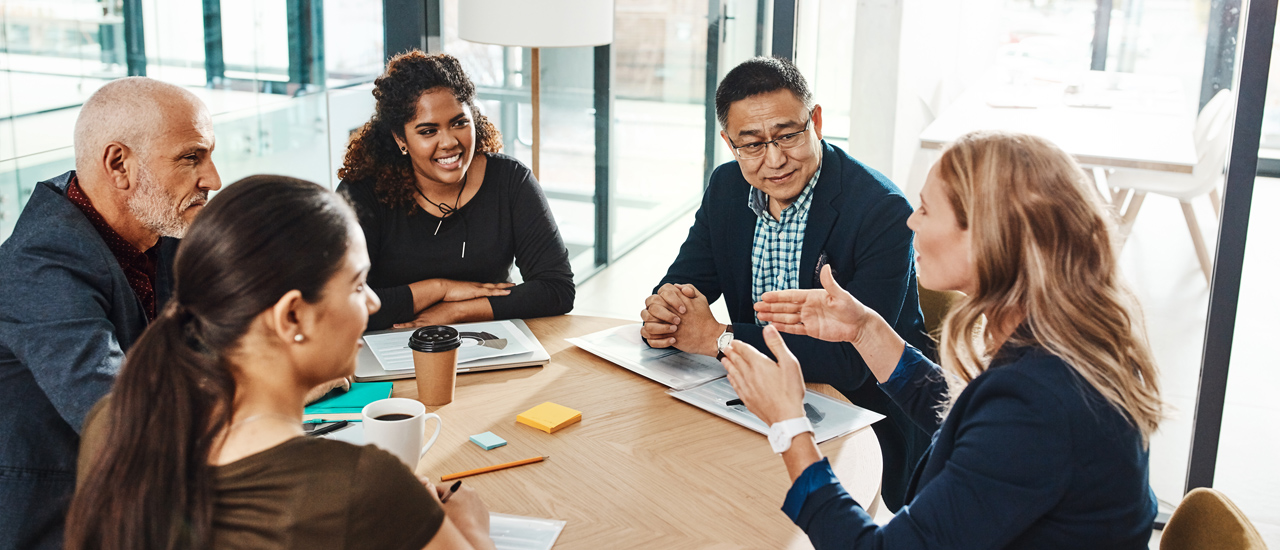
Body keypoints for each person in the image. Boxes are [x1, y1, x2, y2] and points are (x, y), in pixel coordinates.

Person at [724, 131, 1163, 549]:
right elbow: (973, 425)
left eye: (926, 209)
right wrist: (865, 330)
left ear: (987, 237)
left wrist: (789, 426)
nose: (911, 219)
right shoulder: (1058, 340)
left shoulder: (1040, 404)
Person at [65, 176, 496, 550]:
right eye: (358, 285)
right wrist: (471, 527)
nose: (375, 301)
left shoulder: (113, 422)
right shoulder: (360, 484)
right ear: (292, 316)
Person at [640, 56, 932, 511]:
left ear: (815, 120)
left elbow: (852, 362)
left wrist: (719, 340)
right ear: (728, 142)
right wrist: (667, 311)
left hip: (860, 418)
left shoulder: (882, 210)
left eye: (788, 135)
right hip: (749, 405)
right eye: (751, 144)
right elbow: (687, 281)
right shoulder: (727, 188)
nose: (774, 160)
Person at [0, 77, 221, 550]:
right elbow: (120, 416)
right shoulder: (39, 264)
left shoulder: (157, 234)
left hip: (148, 504)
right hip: (64, 525)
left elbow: (212, 344)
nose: (213, 179)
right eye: (191, 157)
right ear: (119, 164)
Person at [337, 51, 574, 331]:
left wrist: (456, 312)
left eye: (459, 123)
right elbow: (339, 305)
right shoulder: (361, 194)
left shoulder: (510, 180)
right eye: (428, 131)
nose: (449, 142)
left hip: (489, 344)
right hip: (388, 347)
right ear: (401, 139)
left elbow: (557, 289)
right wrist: (439, 289)